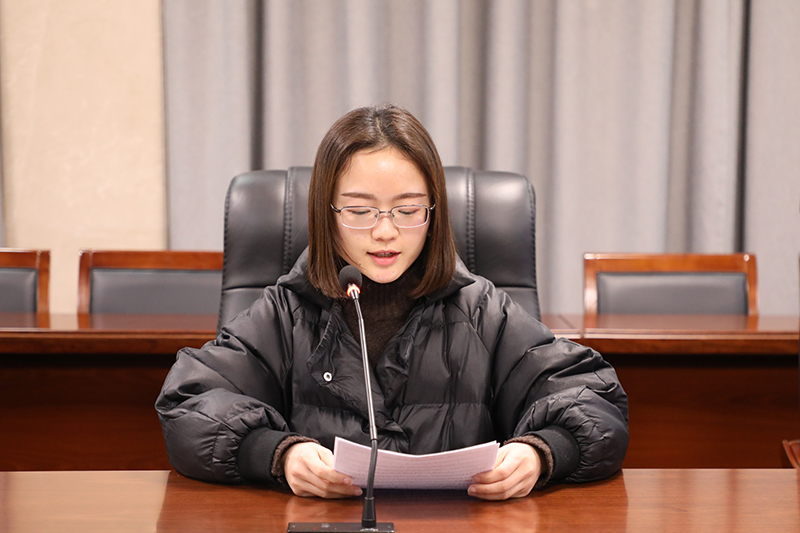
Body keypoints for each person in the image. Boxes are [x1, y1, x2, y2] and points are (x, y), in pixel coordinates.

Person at [156, 104, 628, 501]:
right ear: (327, 213)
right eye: (361, 211)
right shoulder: (285, 312)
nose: (385, 231)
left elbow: (596, 400)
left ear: (434, 212)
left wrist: (541, 452)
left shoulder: (481, 310)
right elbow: (189, 403)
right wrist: (277, 454)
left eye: (407, 210)